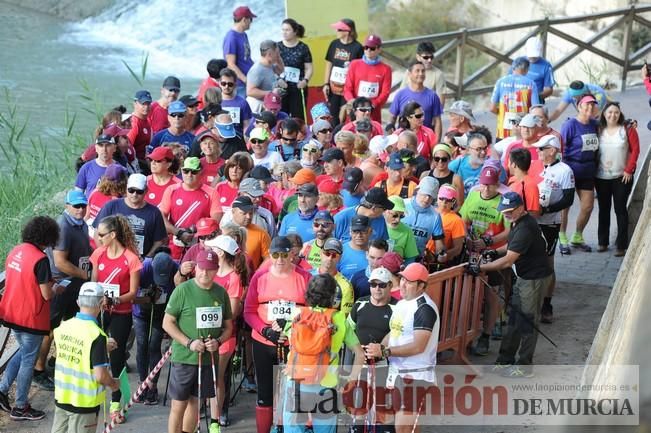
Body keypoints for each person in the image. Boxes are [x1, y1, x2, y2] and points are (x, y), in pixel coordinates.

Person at [467, 192, 552, 377]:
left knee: (528, 322)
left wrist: (482, 266)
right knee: (514, 320)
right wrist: (494, 252)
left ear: (520, 208)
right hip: (523, 278)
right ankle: (504, 360)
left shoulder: (525, 228)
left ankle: (524, 366)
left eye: (509, 211)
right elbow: (512, 246)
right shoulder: (517, 222)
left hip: (532, 280)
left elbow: (508, 261)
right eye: (503, 211)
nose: (506, 215)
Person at [281, 273, 364, 433]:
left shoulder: (297, 314)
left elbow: (289, 341)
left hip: (297, 383)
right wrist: (351, 381)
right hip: (326, 387)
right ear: (333, 296)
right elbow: (359, 354)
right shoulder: (339, 319)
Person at [243, 236, 309, 433]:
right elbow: (248, 311)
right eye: (275, 255)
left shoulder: (304, 277)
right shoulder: (260, 277)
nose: (280, 260)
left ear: (292, 255)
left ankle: (286, 427)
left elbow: (312, 310)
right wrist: (265, 330)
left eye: (284, 255)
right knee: (265, 392)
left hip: (293, 342)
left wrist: (293, 328)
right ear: (270, 255)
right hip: (264, 340)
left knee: (293, 391)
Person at [163, 249, 233, 433]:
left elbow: (228, 327)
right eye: (202, 268)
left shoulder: (221, 293)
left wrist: (218, 341)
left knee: (196, 402)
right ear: (196, 268)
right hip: (184, 358)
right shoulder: (182, 290)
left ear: (216, 270)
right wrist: (189, 342)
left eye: (210, 269)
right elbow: (167, 323)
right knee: (178, 405)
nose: (205, 273)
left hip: (208, 359)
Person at [365, 263, 440, 433]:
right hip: (399, 371)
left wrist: (384, 352)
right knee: (407, 425)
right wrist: (377, 349)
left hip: (416, 375)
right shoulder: (402, 303)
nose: (403, 284)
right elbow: (394, 333)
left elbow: (418, 346)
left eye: (410, 282)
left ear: (422, 286)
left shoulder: (424, 308)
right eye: (403, 279)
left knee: (402, 427)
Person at [0, 216, 60, 421]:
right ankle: (21, 406)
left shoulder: (16, 251)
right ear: (48, 237)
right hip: (30, 318)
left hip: (11, 312)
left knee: (24, 352)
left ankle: (2, 389)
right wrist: (56, 287)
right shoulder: (40, 259)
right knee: (28, 360)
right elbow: (46, 294)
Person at [90, 215, 143, 423]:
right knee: (95, 352)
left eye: (101, 234)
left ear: (112, 235)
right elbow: (93, 283)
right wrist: (96, 299)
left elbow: (133, 292)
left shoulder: (131, 258)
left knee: (117, 357)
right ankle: (93, 397)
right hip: (100, 311)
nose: (98, 237)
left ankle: (115, 403)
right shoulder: (98, 254)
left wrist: (114, 299)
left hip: (121, 312)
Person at [51, 282, 120, 433]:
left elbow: (73, 352)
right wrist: (114, 384)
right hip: (84, 404)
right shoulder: (97, 335)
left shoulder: (62, 328)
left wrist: (101, 348)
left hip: (62, 397)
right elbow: (100, 375)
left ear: (78, 302)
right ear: (102, 303)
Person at [204, 235, 248, 428]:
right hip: (204, 333)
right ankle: (210, 410)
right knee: (208, 374)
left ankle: (217, 414)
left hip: (223, 335)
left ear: (220, 253)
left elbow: (233, 310)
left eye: (212, 248)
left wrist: (209, 314)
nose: (208, 251)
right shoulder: (210, 272)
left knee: (216, 376)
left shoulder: (233, 277)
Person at [347, 266, 396, 433]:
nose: (377, 289)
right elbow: (347, 331)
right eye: (374, 284)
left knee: (384, 408)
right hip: (360, 363)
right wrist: (356, 347)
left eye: (382, 285)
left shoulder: (397, 308)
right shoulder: (360, 304)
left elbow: (400, 334)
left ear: (390, 286)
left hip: (385, 364)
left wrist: (383, 348)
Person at [533, 135, 575, 324]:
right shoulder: (535, 165)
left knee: (548, 263)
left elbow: (568, 199)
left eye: (541, 149)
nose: (538, 152)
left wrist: (546, 210)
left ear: (552, 150)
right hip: (531, 221)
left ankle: (547, 304)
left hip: (550, 223)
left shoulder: (565, 171)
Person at [132, 250, 177, 407]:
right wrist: (147, 298)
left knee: (154, 346)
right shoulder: (143, 268)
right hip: (141, 313)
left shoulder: (176, 268)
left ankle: (153, 385)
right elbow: (130, 296)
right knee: (142, 344)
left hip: (161, 314)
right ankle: (143, 383)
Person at [595, 102, 640, 256]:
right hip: (601, 177)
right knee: (603, 209)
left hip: (622, 177)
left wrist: (629, 170)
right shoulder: (598, 129)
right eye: (610, 112)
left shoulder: (627, 129)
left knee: (620, 210)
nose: (613, 115)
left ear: (620, 114)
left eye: (616, 112)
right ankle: (602, 242)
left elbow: (635, 150)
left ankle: (621, 245)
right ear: (604, 114)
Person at [558, 94, 600, 254]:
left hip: (588, 171)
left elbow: (612, 123)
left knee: (588, 206)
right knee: (565, 207)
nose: (590, 108)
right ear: (579, 106)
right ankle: (562, 237)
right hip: (570, 170)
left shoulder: (595, 124)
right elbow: (560, 147)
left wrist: (628, 123)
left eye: (592, 105)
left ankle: (577, 236)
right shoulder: (570, 125)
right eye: (586, 105)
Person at [159, 157, 222, 260]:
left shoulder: (211, 192)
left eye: (193, 171)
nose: (189, 174)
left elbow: (216, 220)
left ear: (201, 172)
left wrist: (195, 231)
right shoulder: (171, 190)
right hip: (174, 244)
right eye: (186, 171)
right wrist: (178, 232)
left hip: (200, 245)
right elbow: (161, 217)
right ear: (182, 170)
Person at [94, 173, 168, 258]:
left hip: (141, 260)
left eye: (139, 191)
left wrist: (147, 258)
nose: (134, 194)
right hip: (114, 258)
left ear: (146, 191)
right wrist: (107, 256)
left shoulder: (154, 212)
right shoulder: (111, 206)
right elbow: (97, 233)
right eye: (131, 190)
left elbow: (160, 241)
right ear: (126, 189)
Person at [322, 19, 364, 127]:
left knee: (345, 114)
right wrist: (325, 84)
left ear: (348, 31)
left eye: (339, 29)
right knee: (333, 114)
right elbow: (329, 64)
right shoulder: (334, 44)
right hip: (334, 88)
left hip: (348, 89)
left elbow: (360, 70)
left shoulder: (358, 47)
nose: (336, 31)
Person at [344, 34, 392, 124]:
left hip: (373, 112)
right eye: (366, 47)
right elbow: (347, 88)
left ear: (379, 49)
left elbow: (385, 92)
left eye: (372, 48)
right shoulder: (354, 64)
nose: (368, 50)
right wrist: (353, 102)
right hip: (356, 110)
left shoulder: (386, 69)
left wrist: (373, 104)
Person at [489, 56, 540, 141]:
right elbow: (536, 110)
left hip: (503, 132)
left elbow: (492, 108)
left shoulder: (500, 82)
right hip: (522, 131)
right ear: (527, 70)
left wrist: (502, 113)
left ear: (513, 67)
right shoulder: (531, 84)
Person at [390, 61, 443, 139]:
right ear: (409, 74)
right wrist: (391, 140)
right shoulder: (400, 94)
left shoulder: (433, 96)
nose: (421, 74)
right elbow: (392, 118)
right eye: (417, 71)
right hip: (403, 140)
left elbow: (437, 121)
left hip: (425, 140)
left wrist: (436, 144)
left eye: (423, 71)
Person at [277, 18, 313, 119]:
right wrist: (278, 79)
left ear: (295, 32)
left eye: (287, 30)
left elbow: (309, 68)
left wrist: (305, 81)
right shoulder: (277, 47)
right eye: (283, 29)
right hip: (282, 87)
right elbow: (272, 67)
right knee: (282, 117)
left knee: (298, 118)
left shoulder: (303, 48)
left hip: (298, 87)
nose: (284, 32)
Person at [403, 177, 445, 257]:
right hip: (394, 257)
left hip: (416, 261)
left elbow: (439, 243)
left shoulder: (435, 216)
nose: (427, 199)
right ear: (417, 190)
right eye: (425, 194)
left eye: (431, 196)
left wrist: (441, 254)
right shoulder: (402, 204)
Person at [312, 238, 355, 315]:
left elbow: (345, 317)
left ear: (340, 258)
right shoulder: (307, 276)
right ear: (320, 253)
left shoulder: (346, 286)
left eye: (334, 255)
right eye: (327, 253)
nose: (330, 258)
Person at [400, 41, 449, 105]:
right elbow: (401, 94)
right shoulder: (409, 71)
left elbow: (440, 103)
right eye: (426, 57)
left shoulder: (438, 74)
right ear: (418, 57)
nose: (429, 60)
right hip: (409, 111)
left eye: (431, 57)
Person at [223, 6, 256, 97]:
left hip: (248, 82)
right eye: (250, 19)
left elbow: (247, 58)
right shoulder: (231, 38)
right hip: (239, 84)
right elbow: (231, 64)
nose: (251, 22)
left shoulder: (244, 35)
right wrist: (245, 80)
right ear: (244, 20)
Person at [230, 196, 271, 269]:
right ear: (233, 212)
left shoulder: (261, 233)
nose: (248, 217)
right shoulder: (224, 231)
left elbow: (268, 259)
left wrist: (256, 275)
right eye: (244, 213)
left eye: (251, 213)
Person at [246, 40, 285, 113]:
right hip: (258, 107)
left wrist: (278, 57)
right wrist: (271, 93)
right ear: (270, 54)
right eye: (277, 53)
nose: (279, 55)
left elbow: (280, 70)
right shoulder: (257, 70)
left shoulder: (269, 65)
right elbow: (250, 92)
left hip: (269, 105)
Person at [450, 132, 489, 203]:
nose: (483, 152)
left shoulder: (492, 166)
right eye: (479, 149)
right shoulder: (456, 165)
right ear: (468, 150)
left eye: (485, 148)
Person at [76, 134, 118, 198]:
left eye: (108, 145)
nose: (104, 149)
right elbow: (78, 194)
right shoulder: (86, 168)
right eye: (101, 145)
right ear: (96, 148)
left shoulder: (120, 169)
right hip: (91, 207)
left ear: (114, 148)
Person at [507, 148, 541, 217]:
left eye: (508, 162)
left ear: (513, 165)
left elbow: (534, 213)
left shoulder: (530, 186)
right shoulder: (512, 179)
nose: (507, 165)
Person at [385, 195, 419, 262]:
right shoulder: (376, 225)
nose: (398, 220)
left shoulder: (407, 230)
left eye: (401, 216)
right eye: (394, 215)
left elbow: (411, 258)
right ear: (385, 211)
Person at [219, 67, 252, 135]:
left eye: (230, 84)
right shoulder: (215, 101)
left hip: (237, 140)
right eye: (223, 83)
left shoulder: (243, 103)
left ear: (235, 85)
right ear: (219, 83)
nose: (226, 86)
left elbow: (246, 125)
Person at [522, 36, 554, 102]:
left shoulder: (546, 66)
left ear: (540, 50)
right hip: (517, 99)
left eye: (535, 56)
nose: (532, 58)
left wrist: (534, 97)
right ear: (526, 49)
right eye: (530, 56)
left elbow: (549, 89)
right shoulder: (518, 62)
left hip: (536, 101)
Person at [127, 90, 153, 161]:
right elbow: (127, 148)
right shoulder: (133, 123)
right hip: (136, 162)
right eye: (143, 104)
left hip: (145, 160)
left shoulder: (147, 120)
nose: (146, 107)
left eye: (148, 104)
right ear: (135, 103)